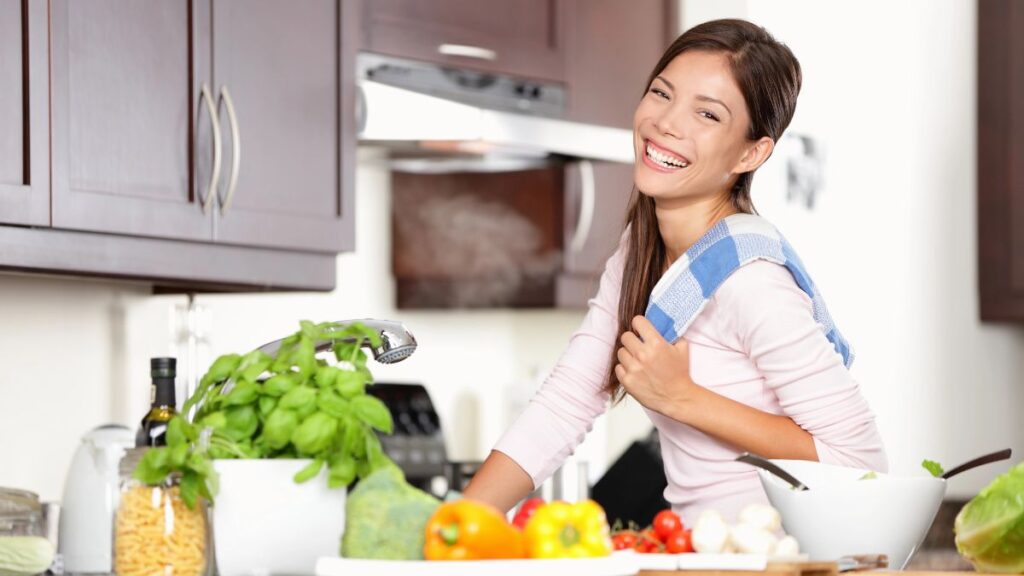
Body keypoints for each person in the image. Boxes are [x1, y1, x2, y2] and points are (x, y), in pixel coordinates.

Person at [462, 18, 887, 525]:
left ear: (752, 152)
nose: (667, 123)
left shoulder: (750, 280)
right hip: (702, 552)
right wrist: (459, 524)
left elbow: (862, 466)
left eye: (707, 114)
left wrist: (684, 399)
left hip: (778, 559)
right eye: (662, 93)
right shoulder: (641, 250)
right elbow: (567, 402)